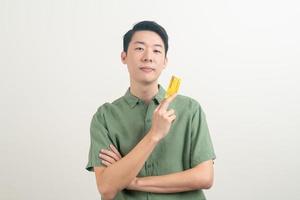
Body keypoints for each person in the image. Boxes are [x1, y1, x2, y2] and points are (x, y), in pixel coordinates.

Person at [86, 21, 216, 200]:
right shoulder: (105, 117)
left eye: (156, 50)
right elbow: (106, 187)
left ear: (165, 61)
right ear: (124, 57)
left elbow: (205, 177)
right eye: (139, 49)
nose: (148, 57)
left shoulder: (190, 110)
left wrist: (132, 181)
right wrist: (154, 135)